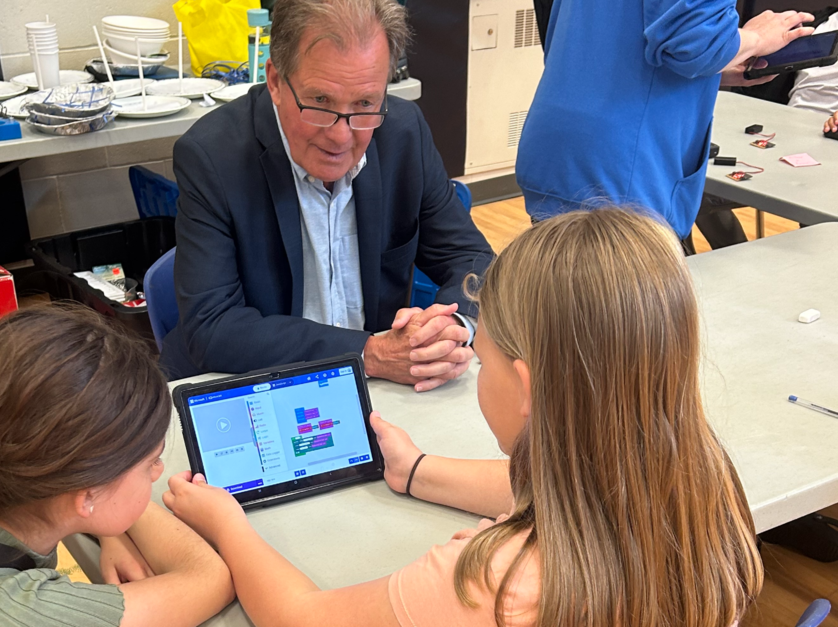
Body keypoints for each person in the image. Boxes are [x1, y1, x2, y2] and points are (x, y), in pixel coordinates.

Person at [161, 207, 763, 627]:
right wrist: (416, 469)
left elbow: (301, 617)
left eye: (485, 355)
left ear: (524, 386)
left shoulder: (492, 583)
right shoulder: (705, 485)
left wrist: (227, 525)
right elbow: (565, 479)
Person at [160, 0, 494, 393]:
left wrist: (450, 329)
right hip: (256, 387)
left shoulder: (403, 133)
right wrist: (367, 352)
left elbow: (471, 258)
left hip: (380, 389)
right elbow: (213, 328)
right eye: (320, 101)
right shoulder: (213, 156)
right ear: (276, 82)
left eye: (365, 103)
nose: (341, 136)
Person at [0, 306, 234, 627]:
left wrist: (106, 520)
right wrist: (227, 523)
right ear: (84, 491)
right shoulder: (22, 613)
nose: (158, 472)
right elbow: (210, 581)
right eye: (150, 462)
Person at [515, 0, 816, 239]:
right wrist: (757, 39)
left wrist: (715, 69)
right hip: (622, 172)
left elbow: (619, 36)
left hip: (567, 149)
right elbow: (694, 43)